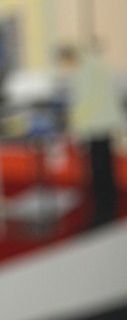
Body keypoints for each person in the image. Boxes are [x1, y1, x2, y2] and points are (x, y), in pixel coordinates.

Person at [57, 44, 125, 229]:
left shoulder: (82, 73)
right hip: (105, 126)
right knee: (107, 171)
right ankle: (109, 209)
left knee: (99, 173)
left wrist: (75, 132)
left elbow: (83, 106)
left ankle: (103, 214)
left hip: (95, 129)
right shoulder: (96, 67)